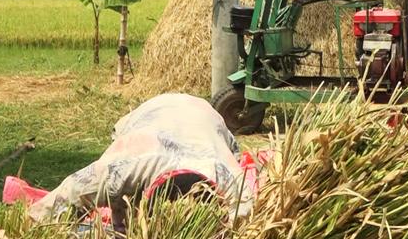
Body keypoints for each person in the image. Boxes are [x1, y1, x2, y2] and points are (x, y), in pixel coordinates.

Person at [29, 93, 254, 231]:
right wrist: (35, 224)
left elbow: (244, 221)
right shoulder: (124, 167)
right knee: (116, 198)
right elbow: (70, 193)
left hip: (207, 116)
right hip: (151, 112)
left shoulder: (227, 177)